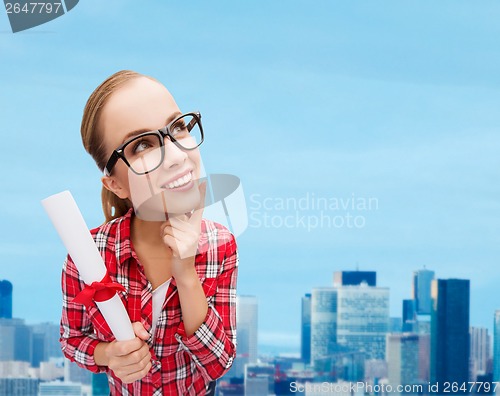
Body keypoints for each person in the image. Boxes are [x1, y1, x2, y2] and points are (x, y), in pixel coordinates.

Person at [60, 70, 238, 395]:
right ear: (115, 184)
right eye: (142, 145)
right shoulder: (89, 253)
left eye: (178, 127)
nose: (175, 156)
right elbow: (72, 340)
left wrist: (185, 272)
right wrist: (108, 355)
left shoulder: (219, 245)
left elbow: (218, 363)